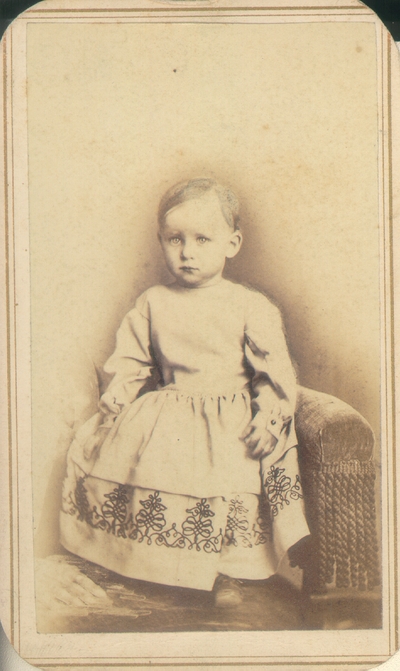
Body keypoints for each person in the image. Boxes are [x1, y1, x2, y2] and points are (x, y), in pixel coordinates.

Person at [60, 178, 310, 608]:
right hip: (167, 412)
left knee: (231, 473)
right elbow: (132, 359)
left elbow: (274, 375)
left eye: (201, 239)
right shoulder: (154, 301)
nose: (187, 252)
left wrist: (269, 418)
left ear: (232, 243)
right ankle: (141, 561)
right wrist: (118, 394)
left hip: (228, 417)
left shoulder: (250, 306)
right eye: (175, 239)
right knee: (142, 463)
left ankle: (228, 572)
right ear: (161, 240)